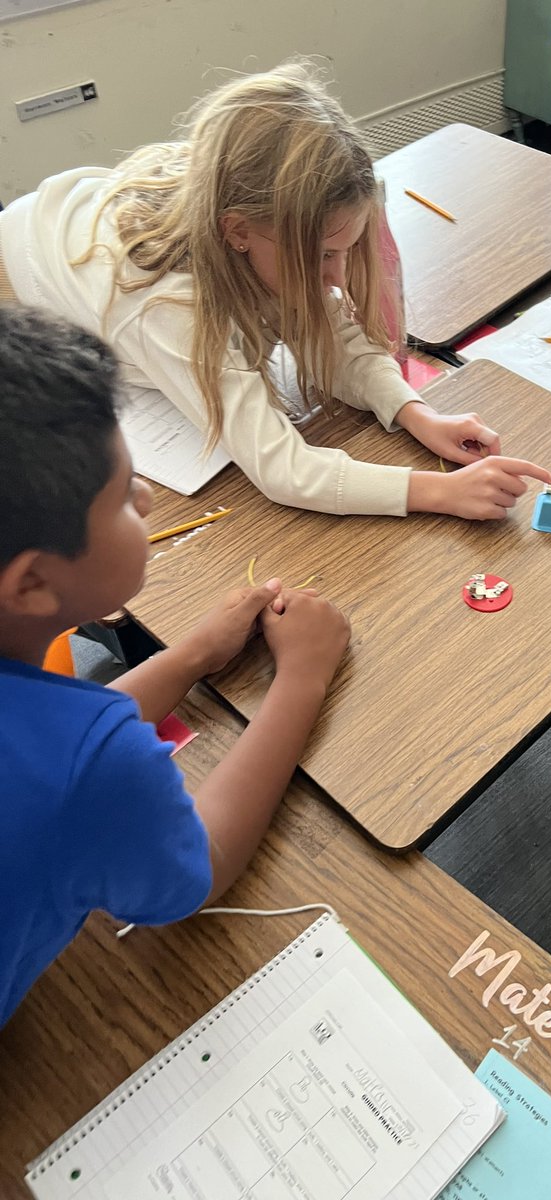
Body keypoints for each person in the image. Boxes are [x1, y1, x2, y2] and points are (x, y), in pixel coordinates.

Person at [0, 61, 551, 520]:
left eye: (345, 251)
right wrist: (439, 492)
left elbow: (338, 339)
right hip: (22, 267)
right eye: (321, 258)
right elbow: (281, 471)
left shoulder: (256, 225)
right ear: (237, 232)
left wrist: (416, 414)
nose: (336, 279)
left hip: (89, 211)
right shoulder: (167, 307)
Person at [0, 306, 350, 1027]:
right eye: (125, 493)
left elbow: (51, 744)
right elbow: (198, 871)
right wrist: (302, 678)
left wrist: (190, 657)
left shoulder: (63, 742)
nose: (148, 498)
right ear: (32, 583)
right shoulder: (94, 768)